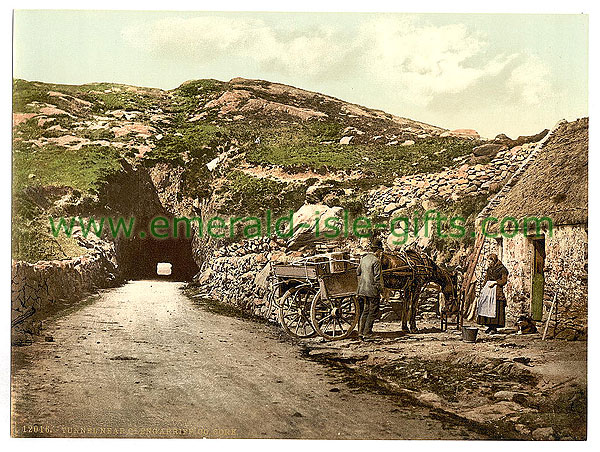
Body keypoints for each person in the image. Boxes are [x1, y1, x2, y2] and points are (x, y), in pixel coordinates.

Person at [357, 239, 383, 340]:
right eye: (380, 251)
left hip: (362, 290)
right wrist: (380, 290)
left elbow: (358, 272)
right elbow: (377, 278)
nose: (380, 253)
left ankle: (360, 332)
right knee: (373, 311)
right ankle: (367, 332)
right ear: (378, 250)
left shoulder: (364, 259)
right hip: (372, 290)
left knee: (365, 310)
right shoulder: (376, 261)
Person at [477, 253, 509, 334]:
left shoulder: (502, 269)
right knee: (486, 307)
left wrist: (495, 282)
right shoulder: (489, 269)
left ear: (494, 261)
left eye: (490, 261)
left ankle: (494, 328)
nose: (489, 263)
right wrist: (483, 288)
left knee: (495, 308)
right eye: (488, 261)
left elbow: (504, 281)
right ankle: (489, 326)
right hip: (488, 290)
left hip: (496, 290)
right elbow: (486, 279)